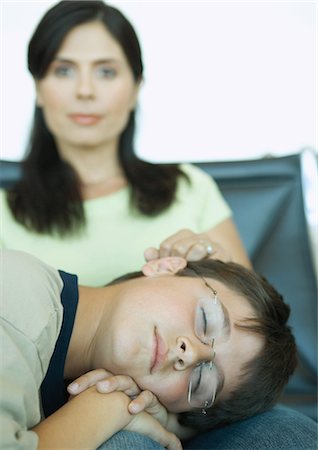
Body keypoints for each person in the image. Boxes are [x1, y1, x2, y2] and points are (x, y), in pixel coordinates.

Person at [0, 0, 251, 287]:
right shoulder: (3, 215)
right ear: (38, 88)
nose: (85, 90)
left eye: (106, 72)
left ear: (135, 88)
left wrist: (222, 271)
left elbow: (259, 325)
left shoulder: (190, 187)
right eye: (64, 71)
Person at [1, 249, 297, 450]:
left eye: (201, 382)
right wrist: (104, 410)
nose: (190, 354)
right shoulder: (19, 302)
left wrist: (173, 425)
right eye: (206, 320)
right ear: (165, 266)